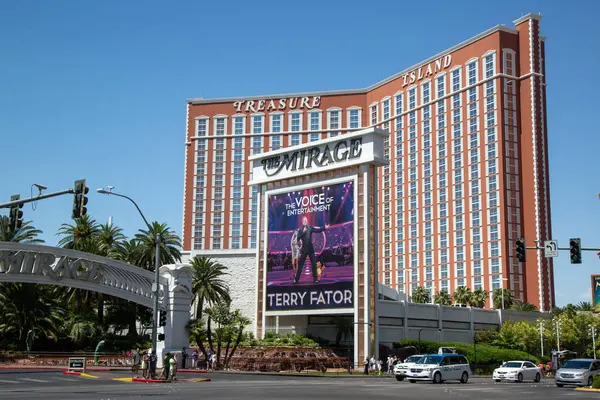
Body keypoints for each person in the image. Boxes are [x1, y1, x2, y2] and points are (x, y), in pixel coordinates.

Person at [294, 216, 329, 284]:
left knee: (313, 264)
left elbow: (317, 230)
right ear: (302, 221)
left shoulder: (310, 227)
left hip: (310, 249)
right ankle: (296, 280)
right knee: (300, 265)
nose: (305, 221)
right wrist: (302, 232)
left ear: (307, 221)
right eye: (304, 220)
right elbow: (297, 238)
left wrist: (324, 228)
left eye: (306, 220)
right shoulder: (300, 230)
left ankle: (315, 279)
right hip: (304, 250)